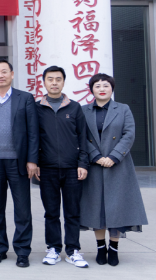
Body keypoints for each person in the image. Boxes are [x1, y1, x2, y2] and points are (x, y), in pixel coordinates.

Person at [80, 73, 148, 267]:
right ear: (91, 89)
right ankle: (101, 247)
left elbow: (129, 134)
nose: (102, 89)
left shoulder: (123, 109)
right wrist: (96, 156)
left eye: (106, 85)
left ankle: (114, 248)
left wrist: (114, 156)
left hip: (118, 165)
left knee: (116, 208)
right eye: (97, 86)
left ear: (112, 88)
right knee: (97, 209)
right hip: (94, 166)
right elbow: (81, 136)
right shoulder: (83, 110)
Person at [0, 59, 38, 268]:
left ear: (12, 75)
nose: (0, 75)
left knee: (22, 208)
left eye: (4, 71)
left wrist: (32, 160)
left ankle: (22, 251)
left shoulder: (25, 98)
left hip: (19, 162)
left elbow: (33, 132)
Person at [35, 66, 89, 268]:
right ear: (44, 82)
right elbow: (33, 138)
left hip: (72, 169)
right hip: (46, 169)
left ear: (64, 82)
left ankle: (73, 250)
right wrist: (35, 162)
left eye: (58, 79)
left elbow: (83, 138)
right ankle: (54, 248)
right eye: (50, 79)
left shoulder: (75, 108)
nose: (54, 83)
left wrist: (82, 163)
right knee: (51, 212)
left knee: (72, 212)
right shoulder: (36, 108)